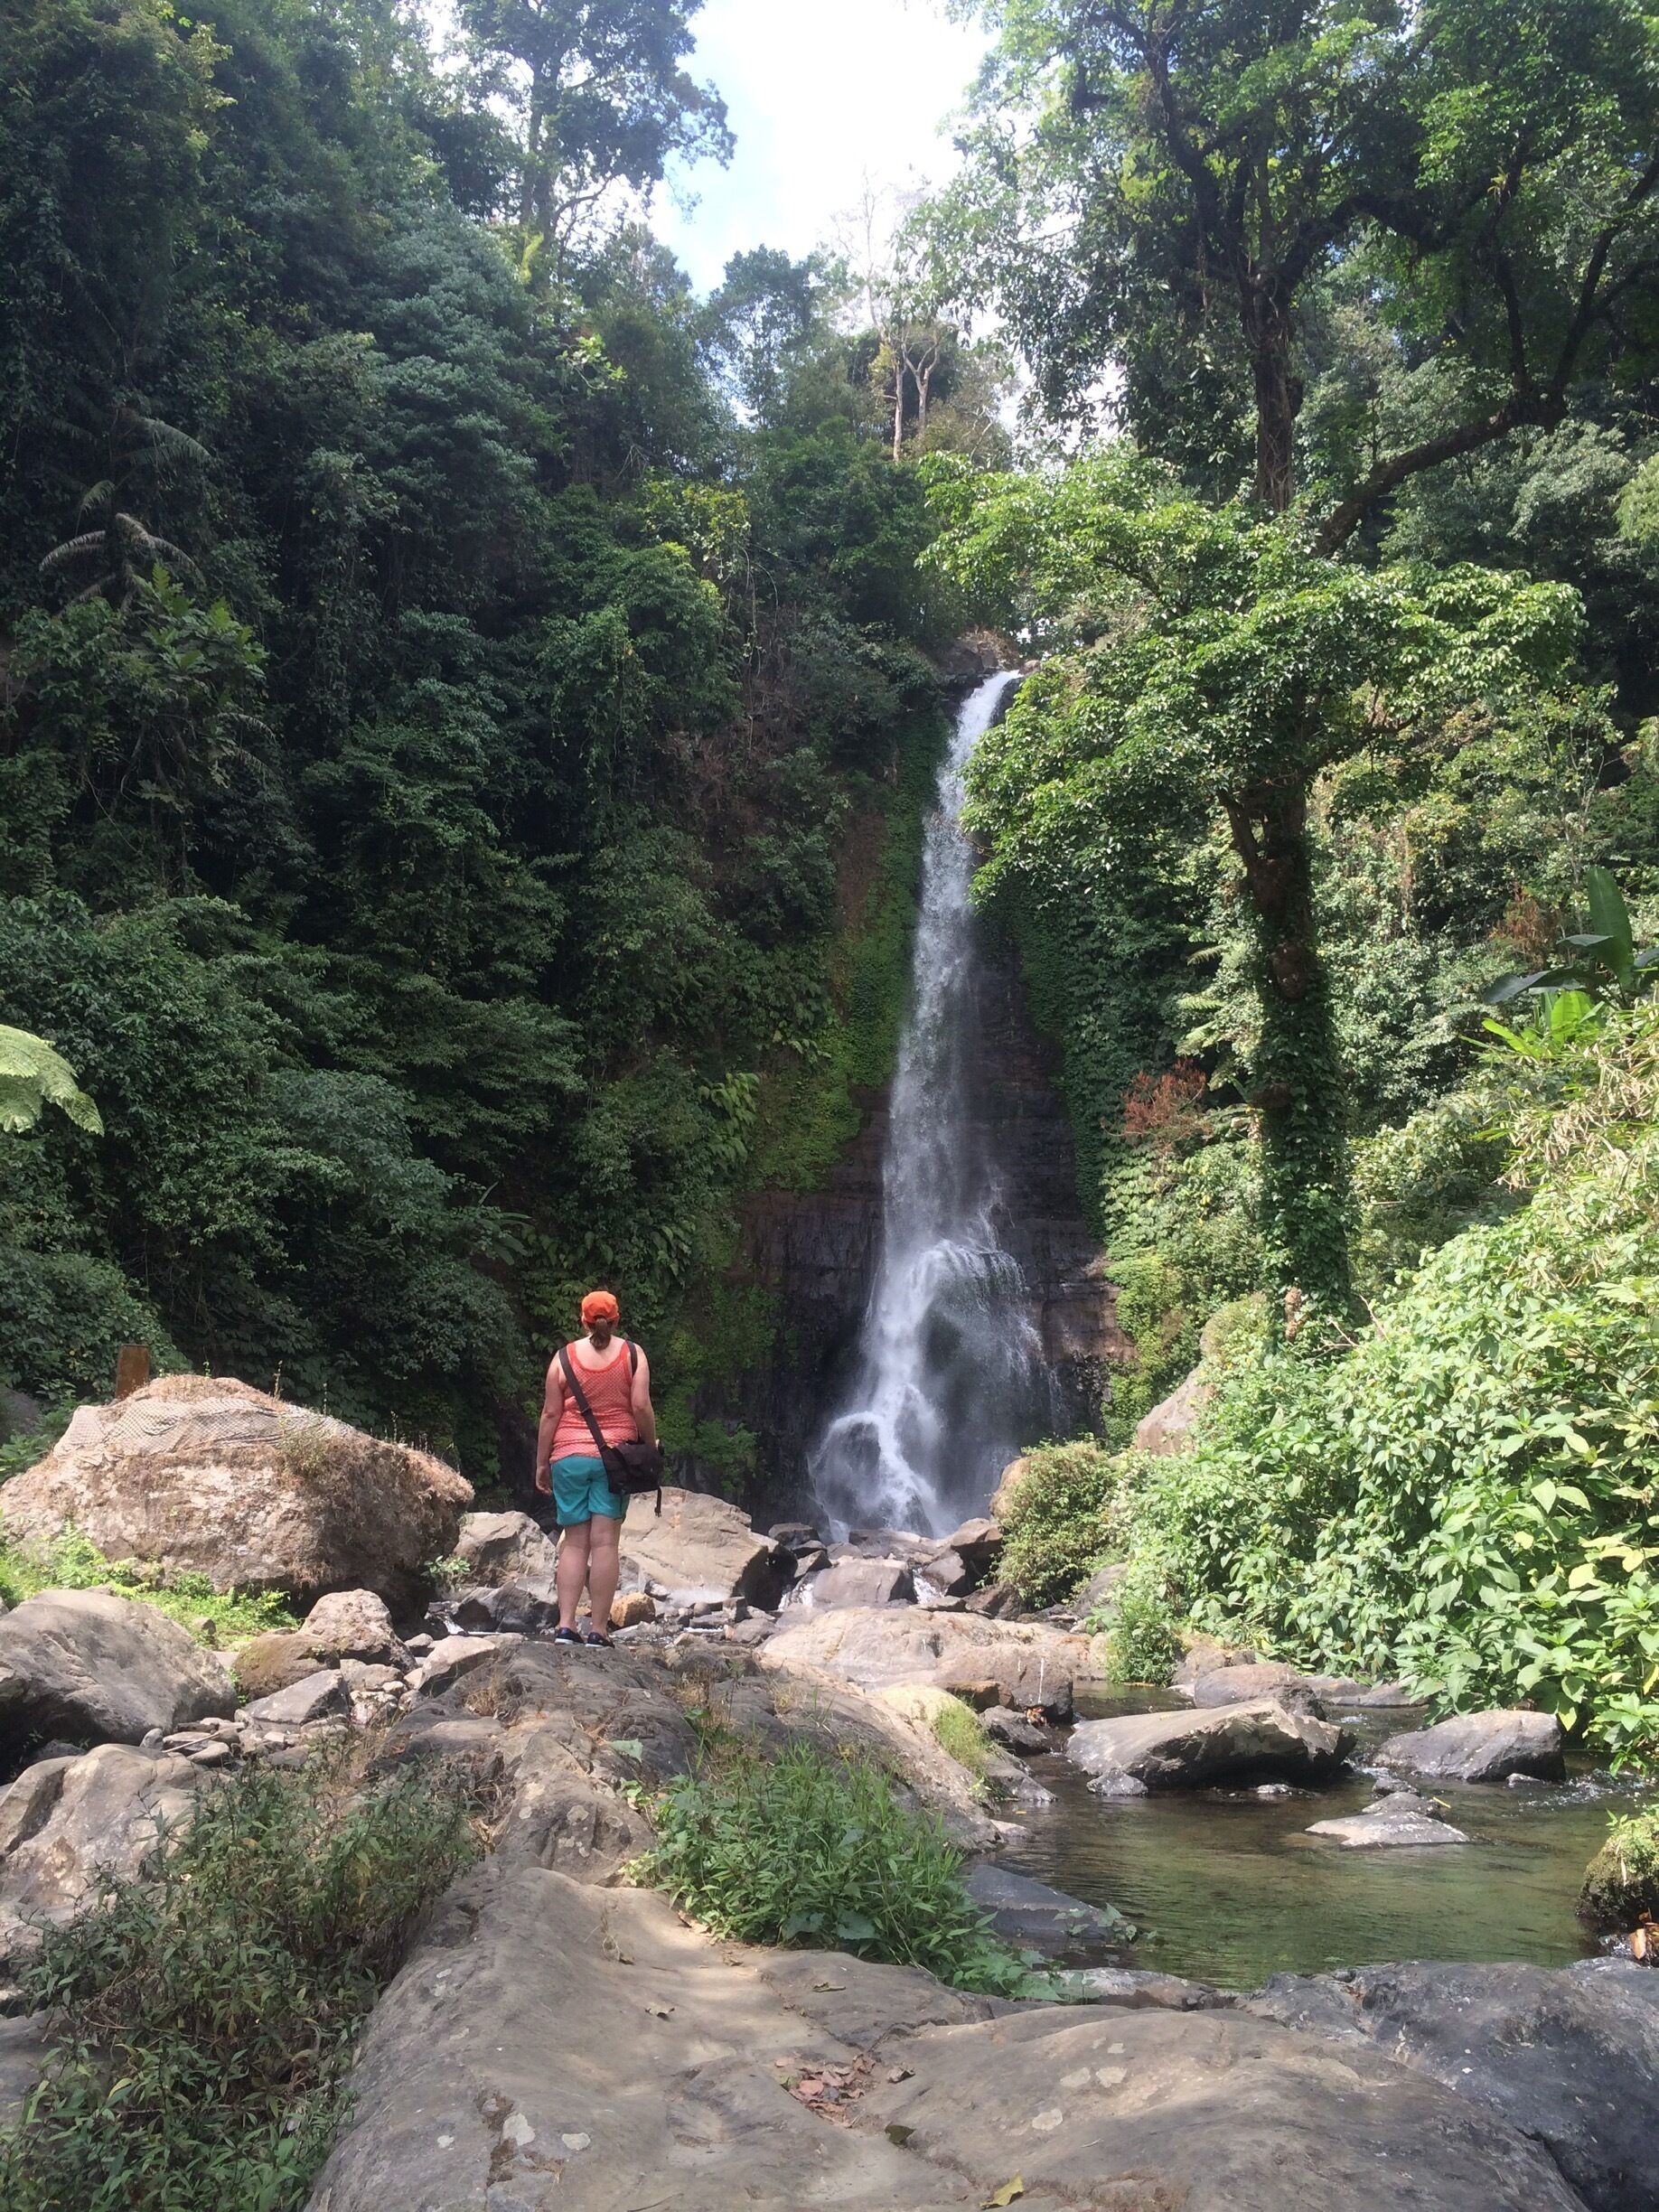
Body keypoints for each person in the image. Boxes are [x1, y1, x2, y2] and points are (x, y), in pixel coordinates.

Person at [534, 1289, 656, 1646]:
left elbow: (551, 1414)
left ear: (583, 1320)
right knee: (605, 1544)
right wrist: (649, 1448)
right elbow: (641, 1407)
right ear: (616, 1319)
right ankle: (599, 1631)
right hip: (615, 1461)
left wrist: (543, 1463)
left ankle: (566, 1626)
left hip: (568, 1458)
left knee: (574, 1544)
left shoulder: (563, 1359)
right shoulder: (633, 1355)